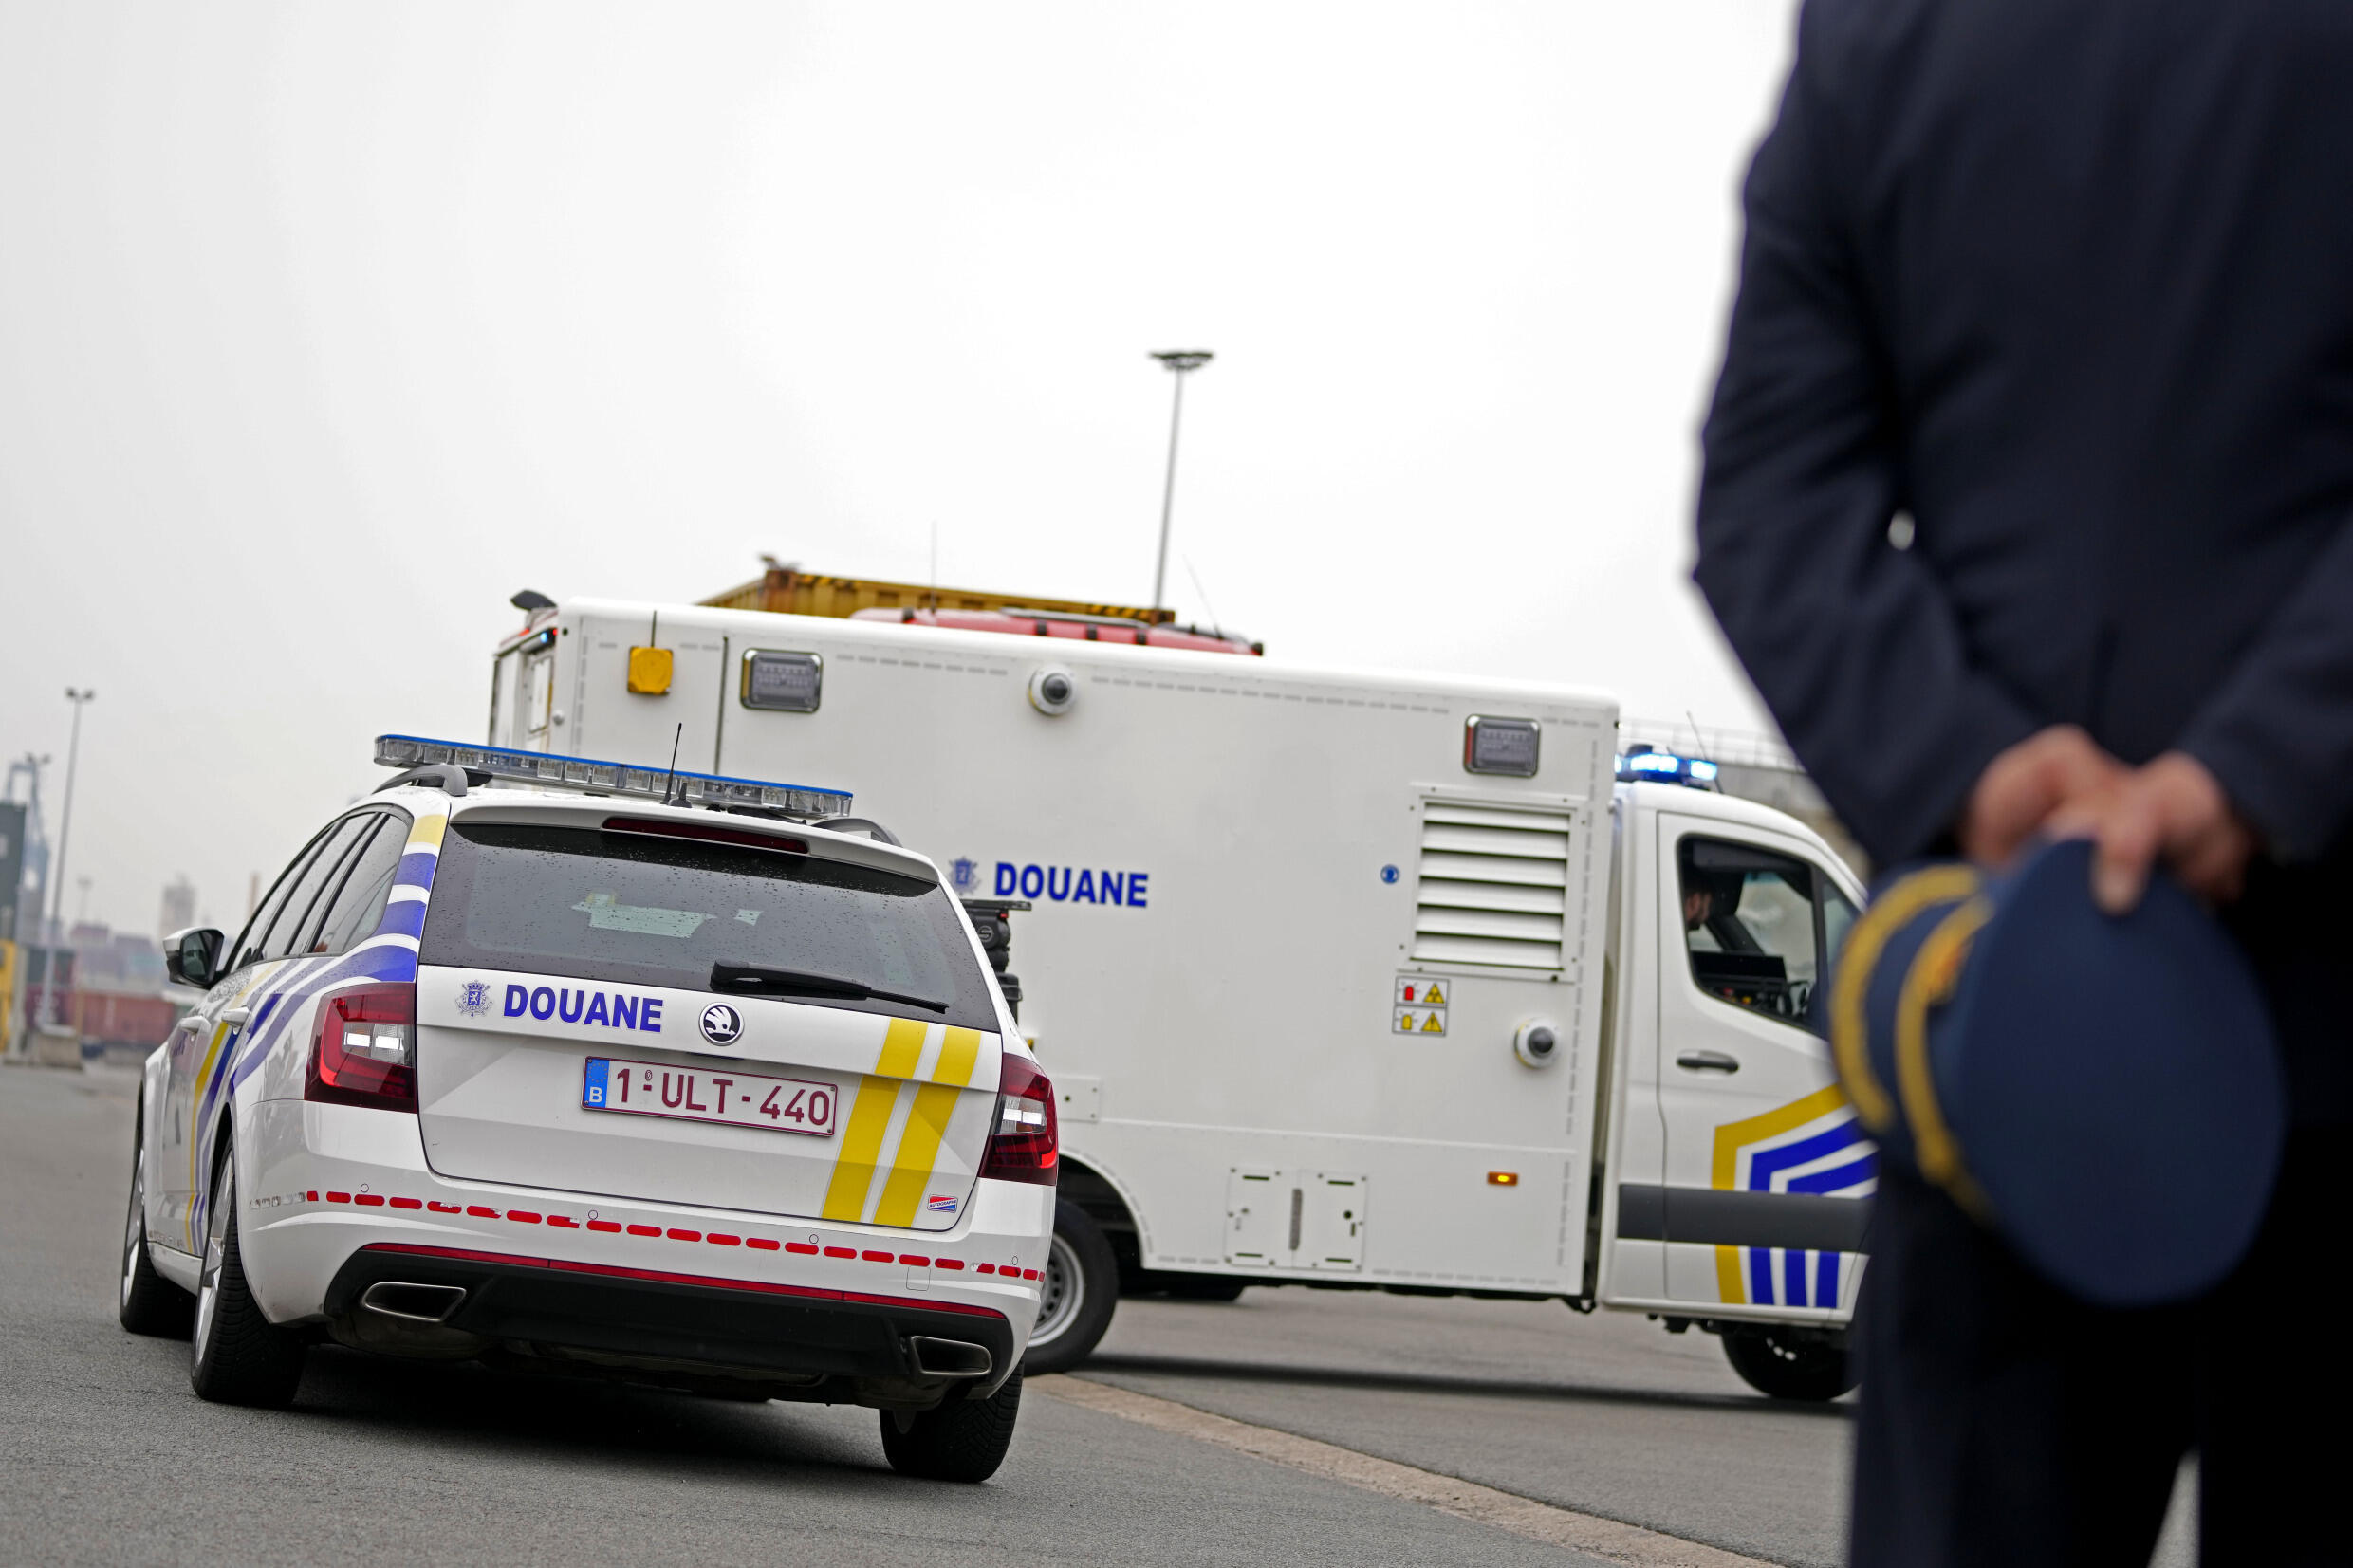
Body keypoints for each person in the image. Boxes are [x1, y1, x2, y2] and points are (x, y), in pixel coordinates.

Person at [1692, 2, 2353, 1563]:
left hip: (2009, 1034)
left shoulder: (1883, 38)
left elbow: (1771, 491)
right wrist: (2259, 761)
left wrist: (1977, 769)